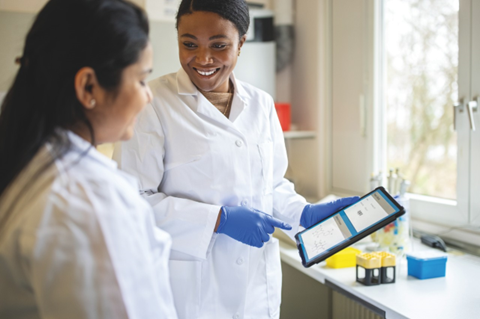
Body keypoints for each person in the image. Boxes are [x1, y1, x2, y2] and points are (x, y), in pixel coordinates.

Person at [113, 0, 359, 318]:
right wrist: (219, 219)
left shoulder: (261, 104)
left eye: (219, 45)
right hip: (191, 295)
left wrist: (304, 213)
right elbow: (132, 205)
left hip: (258, 292)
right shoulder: (152, 104)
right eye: (189, 44)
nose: (203, 59)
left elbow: (271, 184)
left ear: (241, 43)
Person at [0, 0, 177, 318]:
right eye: (140, 80)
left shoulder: (29, 159)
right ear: (88, 86)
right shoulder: (87, 202)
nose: (147, 95)